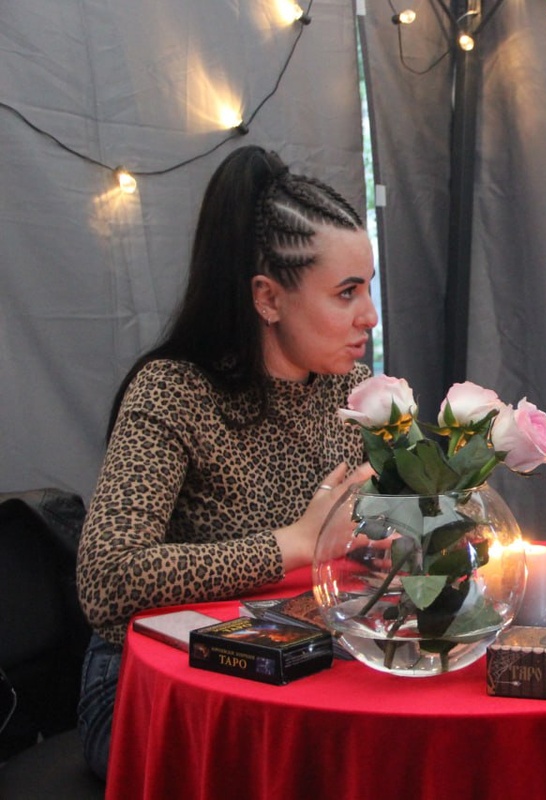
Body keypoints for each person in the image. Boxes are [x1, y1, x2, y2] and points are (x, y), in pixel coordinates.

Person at [75, 145, 378, 779]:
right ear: (268, 298)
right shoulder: (173, 391)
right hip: (151, 689)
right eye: (347, 292)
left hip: (295, 659)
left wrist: (382, 535)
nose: (369, 316)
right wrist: (294, 544)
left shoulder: (346, 389)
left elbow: (352, 543)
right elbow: (108, 580)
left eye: (368, 287)